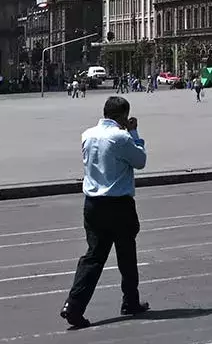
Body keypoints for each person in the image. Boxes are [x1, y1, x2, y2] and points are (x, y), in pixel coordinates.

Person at [62, 96, 148, 329]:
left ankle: (74, 305)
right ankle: (130, 301)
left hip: (92, 204)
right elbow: (140, 161)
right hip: (118, 204)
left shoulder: (87, 135)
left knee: (93, 257)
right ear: (122, 116)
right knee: (126, 256)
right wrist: (134, 134)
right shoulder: (120, 137)